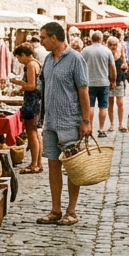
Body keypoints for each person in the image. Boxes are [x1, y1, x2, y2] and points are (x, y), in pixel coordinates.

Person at [36, 22, 91, 226]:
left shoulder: (76, 59)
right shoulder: (48, 60)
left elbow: (84, 92)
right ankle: (56, 209)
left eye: (43, 37)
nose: (40, 42)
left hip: (70, 121)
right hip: (51, 121)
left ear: (54, 37)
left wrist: (86, 121)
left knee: (73, 167)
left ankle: (72, 210)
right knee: (53, 164)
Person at [12, 45, 44, 174]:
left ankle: (34, 164)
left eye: (19, 57)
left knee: (31, 133)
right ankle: (38, 163)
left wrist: (17, 82)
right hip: (36, 100)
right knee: (35, 133)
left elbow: (31, 86)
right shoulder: (36, 63)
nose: (19, 60)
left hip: (32, 101)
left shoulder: (31, 65)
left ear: (24, 54)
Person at [81, 31, 116, 139]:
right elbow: (112, 67)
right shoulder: (107, 51)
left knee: (90, 106)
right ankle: (101, 129)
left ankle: (89, 127)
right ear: (101, 39)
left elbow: (80, 66)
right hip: (103, 82)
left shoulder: (85, 51)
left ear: (91, 39)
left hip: (89, 82)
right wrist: (113, 80)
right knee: (103, 106)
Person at [107, 36, 129, 132]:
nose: (113, 47)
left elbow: (125, 64)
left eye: (115, 45)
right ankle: (111, 124)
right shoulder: (106, 54)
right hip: (108, 80)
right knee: (110, 103)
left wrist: (125, 66)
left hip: (120, 79)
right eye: (111, 45)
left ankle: (120, 124)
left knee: (120, 103)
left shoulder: (121, 52)